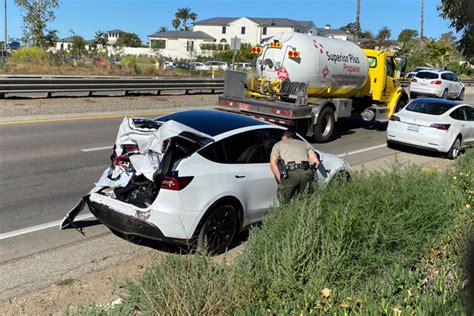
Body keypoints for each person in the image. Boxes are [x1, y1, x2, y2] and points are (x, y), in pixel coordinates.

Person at [269, 130, 320, 203]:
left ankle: (288, 213)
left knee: (283, 198)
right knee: (306, 200)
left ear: (284, 137)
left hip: (291, 173)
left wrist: (280, 180)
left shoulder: (278, 144)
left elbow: (273, 163)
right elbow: (316, 162)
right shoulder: (304, 144)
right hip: (306, 172)